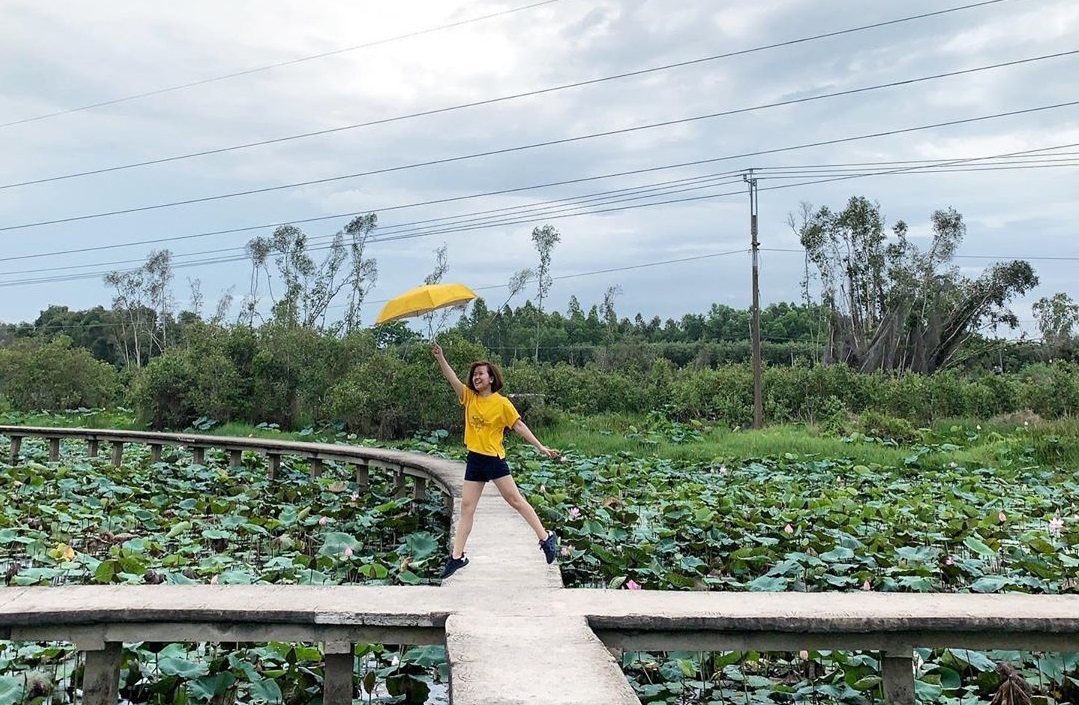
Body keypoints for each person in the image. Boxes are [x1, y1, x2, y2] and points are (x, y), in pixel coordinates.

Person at [432, 342, 560, 579]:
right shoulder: (469, 397)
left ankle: (545, 538)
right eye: (474, 374)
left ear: (491, 378)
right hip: (475, 460)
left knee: (515, 500)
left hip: (494, 460)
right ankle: (457, 557)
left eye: (481, 374)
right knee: (467, 508)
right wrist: (441, 358)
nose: (476, 377)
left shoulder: (502, 403)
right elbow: (452, 380)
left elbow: (518, 425)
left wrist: (540, 447)